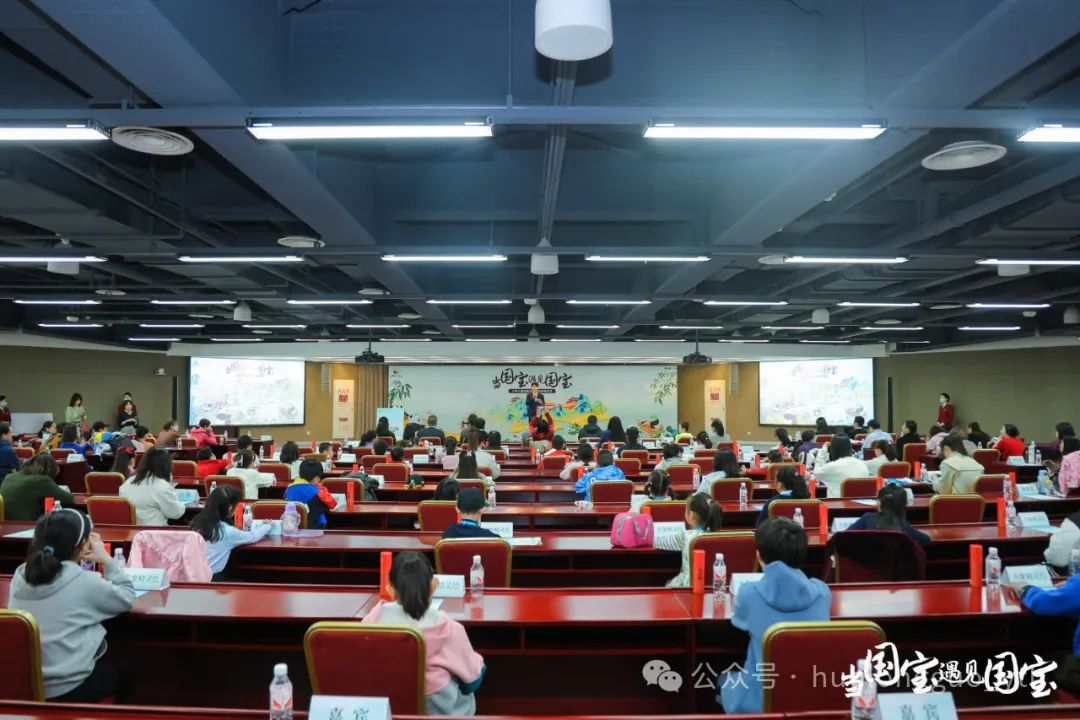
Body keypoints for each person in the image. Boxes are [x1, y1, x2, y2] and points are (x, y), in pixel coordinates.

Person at [8, 509, 134, 701]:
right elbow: (126, 597)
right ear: (84, 545)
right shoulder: (84, 582)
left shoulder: (20, 576)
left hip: (25, 683)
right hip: (67, 688)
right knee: (126, 673)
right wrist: (107, 560)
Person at [718, 517, 831, 713]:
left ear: (759, 555)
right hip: (812, 696)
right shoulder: (822, 592)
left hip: (760, 700)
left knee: (723, 678)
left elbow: (741, 624)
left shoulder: (748, 593)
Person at [362, 552, 485, 715]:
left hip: (389, 710)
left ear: (390, 589)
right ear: (433, 585)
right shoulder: (449, 628)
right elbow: (473, 681)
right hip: (441, 713)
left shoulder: (372, 621)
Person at [189, 485, 272, 580]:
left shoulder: (197, 522)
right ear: (230, 508)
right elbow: (252, 536)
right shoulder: (227, 532)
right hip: (210, 579)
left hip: (191, 575)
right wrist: (266, 526)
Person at [655, 493, 723, 587]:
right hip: (714, 585)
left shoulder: (686, 536)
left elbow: (658, 542)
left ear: (691, 515)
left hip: (689, 586)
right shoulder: (719, 536)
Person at [846, 484, 931, 546]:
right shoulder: (904, 526)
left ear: (880, 503)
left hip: (868, 564)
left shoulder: (867, 518)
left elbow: (845, 536)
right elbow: (926, 540)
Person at [0, 452, 75, 520]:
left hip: (5, 523)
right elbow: (69, 499)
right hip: (26, 524)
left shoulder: (10, 476)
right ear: (50, 470)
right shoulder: (41, 480)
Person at [120, 449, 185, 526]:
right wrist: (182, 503)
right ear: (166, 465)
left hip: (131, 530)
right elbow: (175, 513)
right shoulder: (162, 486)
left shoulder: (128, 482)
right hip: (154, 531)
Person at [284, 459, 338, 528]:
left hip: (292, 527)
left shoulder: (288, 489)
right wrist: (319, 487)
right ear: (317, 478)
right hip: (314, 529)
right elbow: (332, 504)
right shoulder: (317, 492)